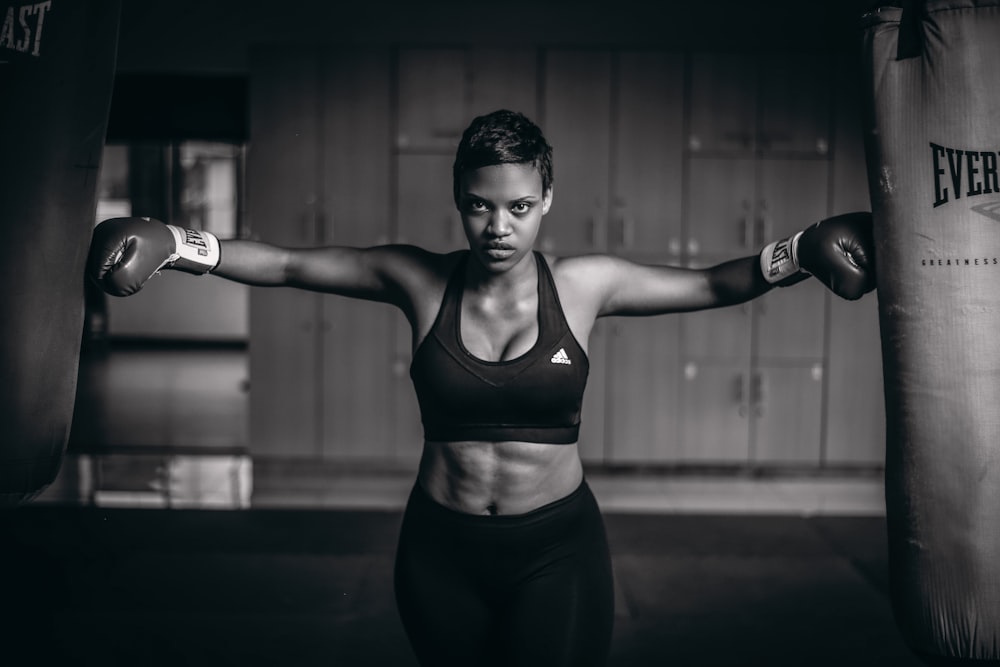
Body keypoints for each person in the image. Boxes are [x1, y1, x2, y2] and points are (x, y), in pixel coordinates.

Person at [87, 109, 876, 667]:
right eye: (479, 206)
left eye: (520, 207)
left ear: (548, 201)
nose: (499, 226)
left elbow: (709, 283)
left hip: (555, 551)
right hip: (438, 552)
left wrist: (801, 249)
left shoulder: (586, 285)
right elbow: (292, 263)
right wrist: (179, 242)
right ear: (460, 201)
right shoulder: (417, 279)